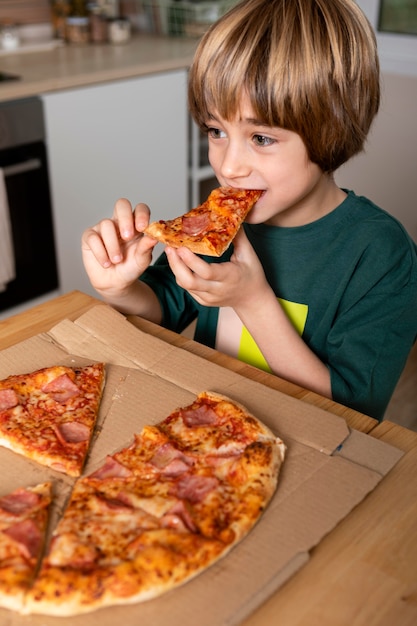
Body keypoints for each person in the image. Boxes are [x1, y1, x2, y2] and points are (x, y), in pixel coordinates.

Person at [81, 0, 417, 421]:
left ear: (333, 128)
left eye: (261, 138)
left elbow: (353, 413)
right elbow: (163, 312)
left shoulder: (381, 256)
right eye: (216, 131)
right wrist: (121, 289)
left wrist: (253, 301)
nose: (228, 167)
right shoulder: (216, 224)